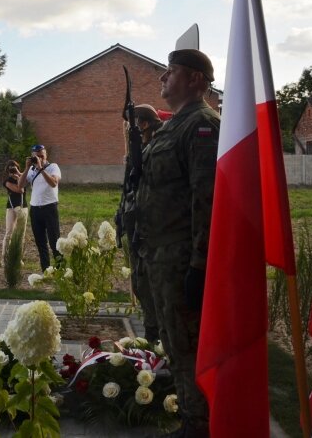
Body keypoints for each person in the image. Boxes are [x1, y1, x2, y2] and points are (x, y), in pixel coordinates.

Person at [136, 49, 220, 438]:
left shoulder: (202, 125)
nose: (162, 79)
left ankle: (199, 426)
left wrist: (200, 265)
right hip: (159, 255)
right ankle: (189, 418)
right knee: (172, 339)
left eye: (171, 73)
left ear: (196, 80)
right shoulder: (173, 126)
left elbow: (206, 199)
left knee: (187, 346)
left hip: (182, 256)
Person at [119, 104, 164, 344]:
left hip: (153, 233)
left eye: (132, 124)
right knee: (140, 283)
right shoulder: (141, 148)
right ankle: (152, 335)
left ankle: (156, 338)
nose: (128, 129)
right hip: (137, 228)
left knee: (150, 286)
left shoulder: (156, 147)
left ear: (144, 124)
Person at [19, 144, 62, 272]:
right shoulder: (31, 170)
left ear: (46, 155)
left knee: (55, 241)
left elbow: (54, 183)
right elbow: (20, 185)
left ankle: (61, 270)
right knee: (40, 242)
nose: (40, 158)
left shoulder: (53, 167)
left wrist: (41, 168)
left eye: (42, 156)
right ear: (32, 157)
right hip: (35, 209)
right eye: (36, 157)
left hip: (50, 208)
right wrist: (27, 168)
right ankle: (46, 270)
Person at [2, 160, 27, 261]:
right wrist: (17, 179)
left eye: (15, 168)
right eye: (11, 169)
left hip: (23, 207)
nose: (13, 171)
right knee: (9, 233)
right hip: (12, 208)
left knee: (21, 234)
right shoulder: (7, 181)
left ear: (18, 169)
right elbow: (20, 190)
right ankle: (5, 258)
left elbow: (23, 187)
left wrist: (19, 177)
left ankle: (18, 258)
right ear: (7, 171)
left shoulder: (23, 178)